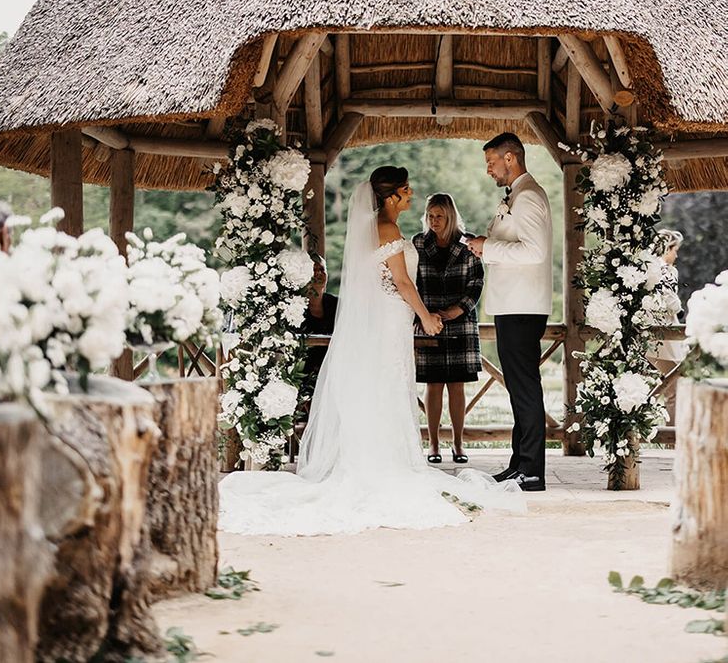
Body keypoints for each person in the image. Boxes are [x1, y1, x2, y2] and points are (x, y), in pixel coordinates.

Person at [218, 166, 524, 536]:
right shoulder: (388, 229)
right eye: (406, 191)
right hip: (391, 318)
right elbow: (402, 282)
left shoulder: (374, 229)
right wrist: (425, 316)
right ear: (391, 196)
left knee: (387, 385)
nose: (412, 195)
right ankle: (385, 462)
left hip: (389, 318)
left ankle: (383, 457)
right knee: (388, 384)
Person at [467, 133, 552, 492]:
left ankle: (531, 470)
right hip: (514, 304)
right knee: (519, 388)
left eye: (491, 163)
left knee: (525, 388)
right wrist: (484, 246)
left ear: (510, 158)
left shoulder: (529, 196)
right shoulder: (518, 195)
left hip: (522, 305)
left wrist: (489, 248)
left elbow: (535, 252)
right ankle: (521, 463)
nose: (488, 171)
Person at [413, 193, 484, 465]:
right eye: (430, 216)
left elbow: (477, 283)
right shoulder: (418, 243)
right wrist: (423, 315)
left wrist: (458, 309)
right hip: (428, 323)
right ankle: (432, 444)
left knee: (457, 385)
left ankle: (457, 443)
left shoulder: (468, 243)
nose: (434, 221)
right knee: (433, 385)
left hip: (461, 323)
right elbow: (412, 282)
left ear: (450, 216)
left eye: (439, 216)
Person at [649, 229, 686, 422]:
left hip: (655, 333)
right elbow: (670, 299)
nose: (676, 255)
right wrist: (679, 310)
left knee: (661, 386)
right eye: (675, 250)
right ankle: (673, 437)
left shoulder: (648, 268)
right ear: (666, 248)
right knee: (673, 386)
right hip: (663, 334)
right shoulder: (664, 270)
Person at [302, 253, 339, 380]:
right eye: (314, 270)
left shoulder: (338, 304)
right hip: (303, 374)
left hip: (334, 371)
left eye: (322, 269)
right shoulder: (295, 307)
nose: (318, 273)